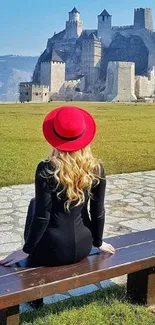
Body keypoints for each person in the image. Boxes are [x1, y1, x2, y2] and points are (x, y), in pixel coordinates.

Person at [0, 106, 115, 267]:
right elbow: (98, 211)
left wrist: (25, 250)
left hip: (51, 250)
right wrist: (98, 241)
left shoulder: (46, 168)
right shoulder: (96, 168)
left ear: (54, 137)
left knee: (35, 204)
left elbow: (42, 216)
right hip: (84, 245)